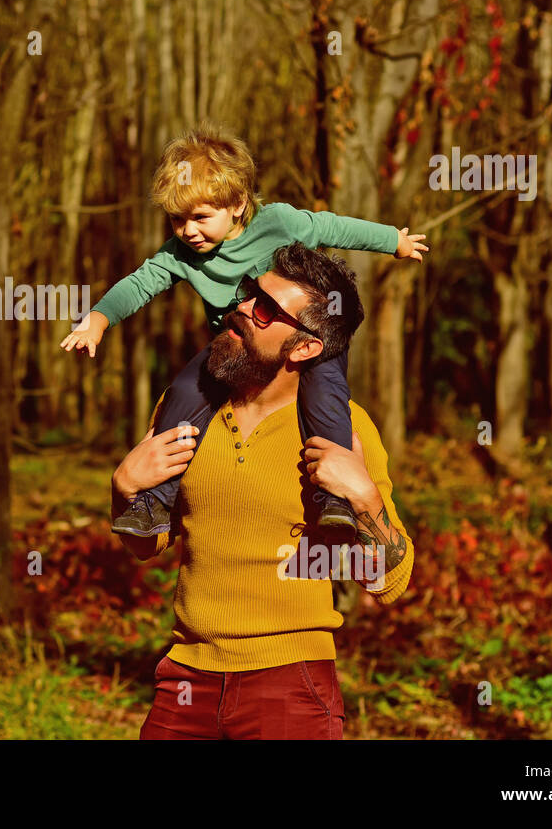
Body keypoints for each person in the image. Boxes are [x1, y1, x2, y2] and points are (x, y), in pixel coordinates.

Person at [61, 121, 427, 543]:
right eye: (177, 220)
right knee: (183, 393)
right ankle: (154, 501)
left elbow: (332, 227)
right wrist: (100, 319)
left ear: (236, 204)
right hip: (236, 347)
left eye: (200, 217)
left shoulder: (278, 222)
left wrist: (391, 241)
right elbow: (141, 283)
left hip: (303, 335)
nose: (188, 231)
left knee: (326, 396)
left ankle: (335, 497)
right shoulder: (181, 254)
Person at [111, 243, 415, 739]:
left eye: (268, 310)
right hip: (185, 679)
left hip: (291, 685)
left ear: (306, 347)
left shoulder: (347, 431)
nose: (244, 310)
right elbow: (145, 546)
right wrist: (124, 489)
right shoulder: (183, 411)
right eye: (252, 294)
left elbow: (390, 583)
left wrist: (366, 501)